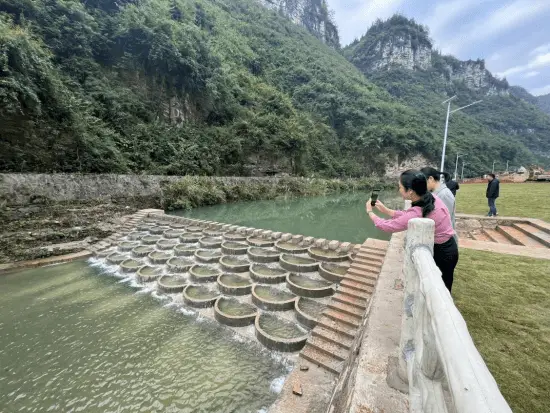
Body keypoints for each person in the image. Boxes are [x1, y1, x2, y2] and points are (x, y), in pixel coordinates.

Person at [366, 170, 458, 292]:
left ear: (410, 191)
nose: (399, 190)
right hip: (449, 247)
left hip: (442, 253)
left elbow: (387, 226)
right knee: (440, 286)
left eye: (400, 187)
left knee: (440, 291)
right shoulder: (430, 198)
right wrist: (386, 210)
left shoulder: (418, 211)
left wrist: (370, 212)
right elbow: (407, 215)